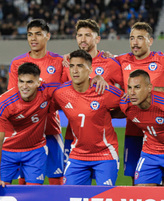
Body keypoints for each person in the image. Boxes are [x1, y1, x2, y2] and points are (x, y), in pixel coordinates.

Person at [115, 22, 164, 185]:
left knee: (163, 179)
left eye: (140, 38)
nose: (134, 42)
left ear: (150, 41)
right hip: (134, 129)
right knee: (135, 178)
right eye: (131, 38)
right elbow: (97, 64)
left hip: (161, 130)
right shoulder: (121, 60)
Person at [7, 19, 67, 185]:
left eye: (38, 34)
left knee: (56, 176)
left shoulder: (59, 62)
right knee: (25, 178)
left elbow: (67, 91)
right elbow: (13, 96)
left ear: (48, 36)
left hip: (50, 127)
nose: (33, 38)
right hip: (25, 131)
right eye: (30, 35)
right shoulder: (17, 63)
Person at [52, 50, 124, 185]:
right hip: (77, 154)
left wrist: (109, 114)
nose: (75, 70)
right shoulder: (61, 93)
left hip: (105, 154)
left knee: (103, 199)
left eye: (80, 66)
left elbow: (129, 103)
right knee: (71, 198)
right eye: (72, 66)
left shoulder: (104, 90)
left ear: (90, 69)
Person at [63, 19, 124, 168]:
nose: (83, 39)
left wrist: (110, 113)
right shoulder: (67, 64)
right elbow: (61, 92)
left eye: (88, 35)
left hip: (101, 135)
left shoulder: (110, 63)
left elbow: (126, 95)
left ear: (97, 39)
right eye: (79, 35)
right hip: (73, 134)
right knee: (72, 188)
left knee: (104, 189)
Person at [120, 69, 164, 186]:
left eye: (137, 87)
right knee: (141, 192)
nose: (132, 92)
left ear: (149, 88)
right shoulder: (126, 105)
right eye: (129, 87)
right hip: (150, 153)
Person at [0, 63, 57, 185]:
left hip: (35, 151)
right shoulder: (4, 102)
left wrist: (95, 79)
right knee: (2, 193)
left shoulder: (46, 91)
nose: (24, 86)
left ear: (38, 82)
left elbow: (71, 87)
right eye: (21, 81)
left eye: (29, 82)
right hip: (7, 151)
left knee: (34, 192)